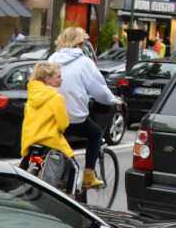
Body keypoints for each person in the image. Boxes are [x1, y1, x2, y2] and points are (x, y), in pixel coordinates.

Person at [48, 26, 121, 190]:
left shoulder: (52, 59)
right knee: (95, 134)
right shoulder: (84, 63)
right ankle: (89, 175)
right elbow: (99, 90)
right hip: (74, 118)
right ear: (81, 43)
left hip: (51, 117)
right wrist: (113, 100)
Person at [20, 61, 73, 188]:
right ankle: (72, 198)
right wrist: (60, 129)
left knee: (23, 170)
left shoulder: (32, 95)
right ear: (48, 79)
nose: (62, 79)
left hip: (30, 140)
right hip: (50, 141)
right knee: (74, 168)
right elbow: (63, 124)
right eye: (58, 76)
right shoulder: (56, 97)